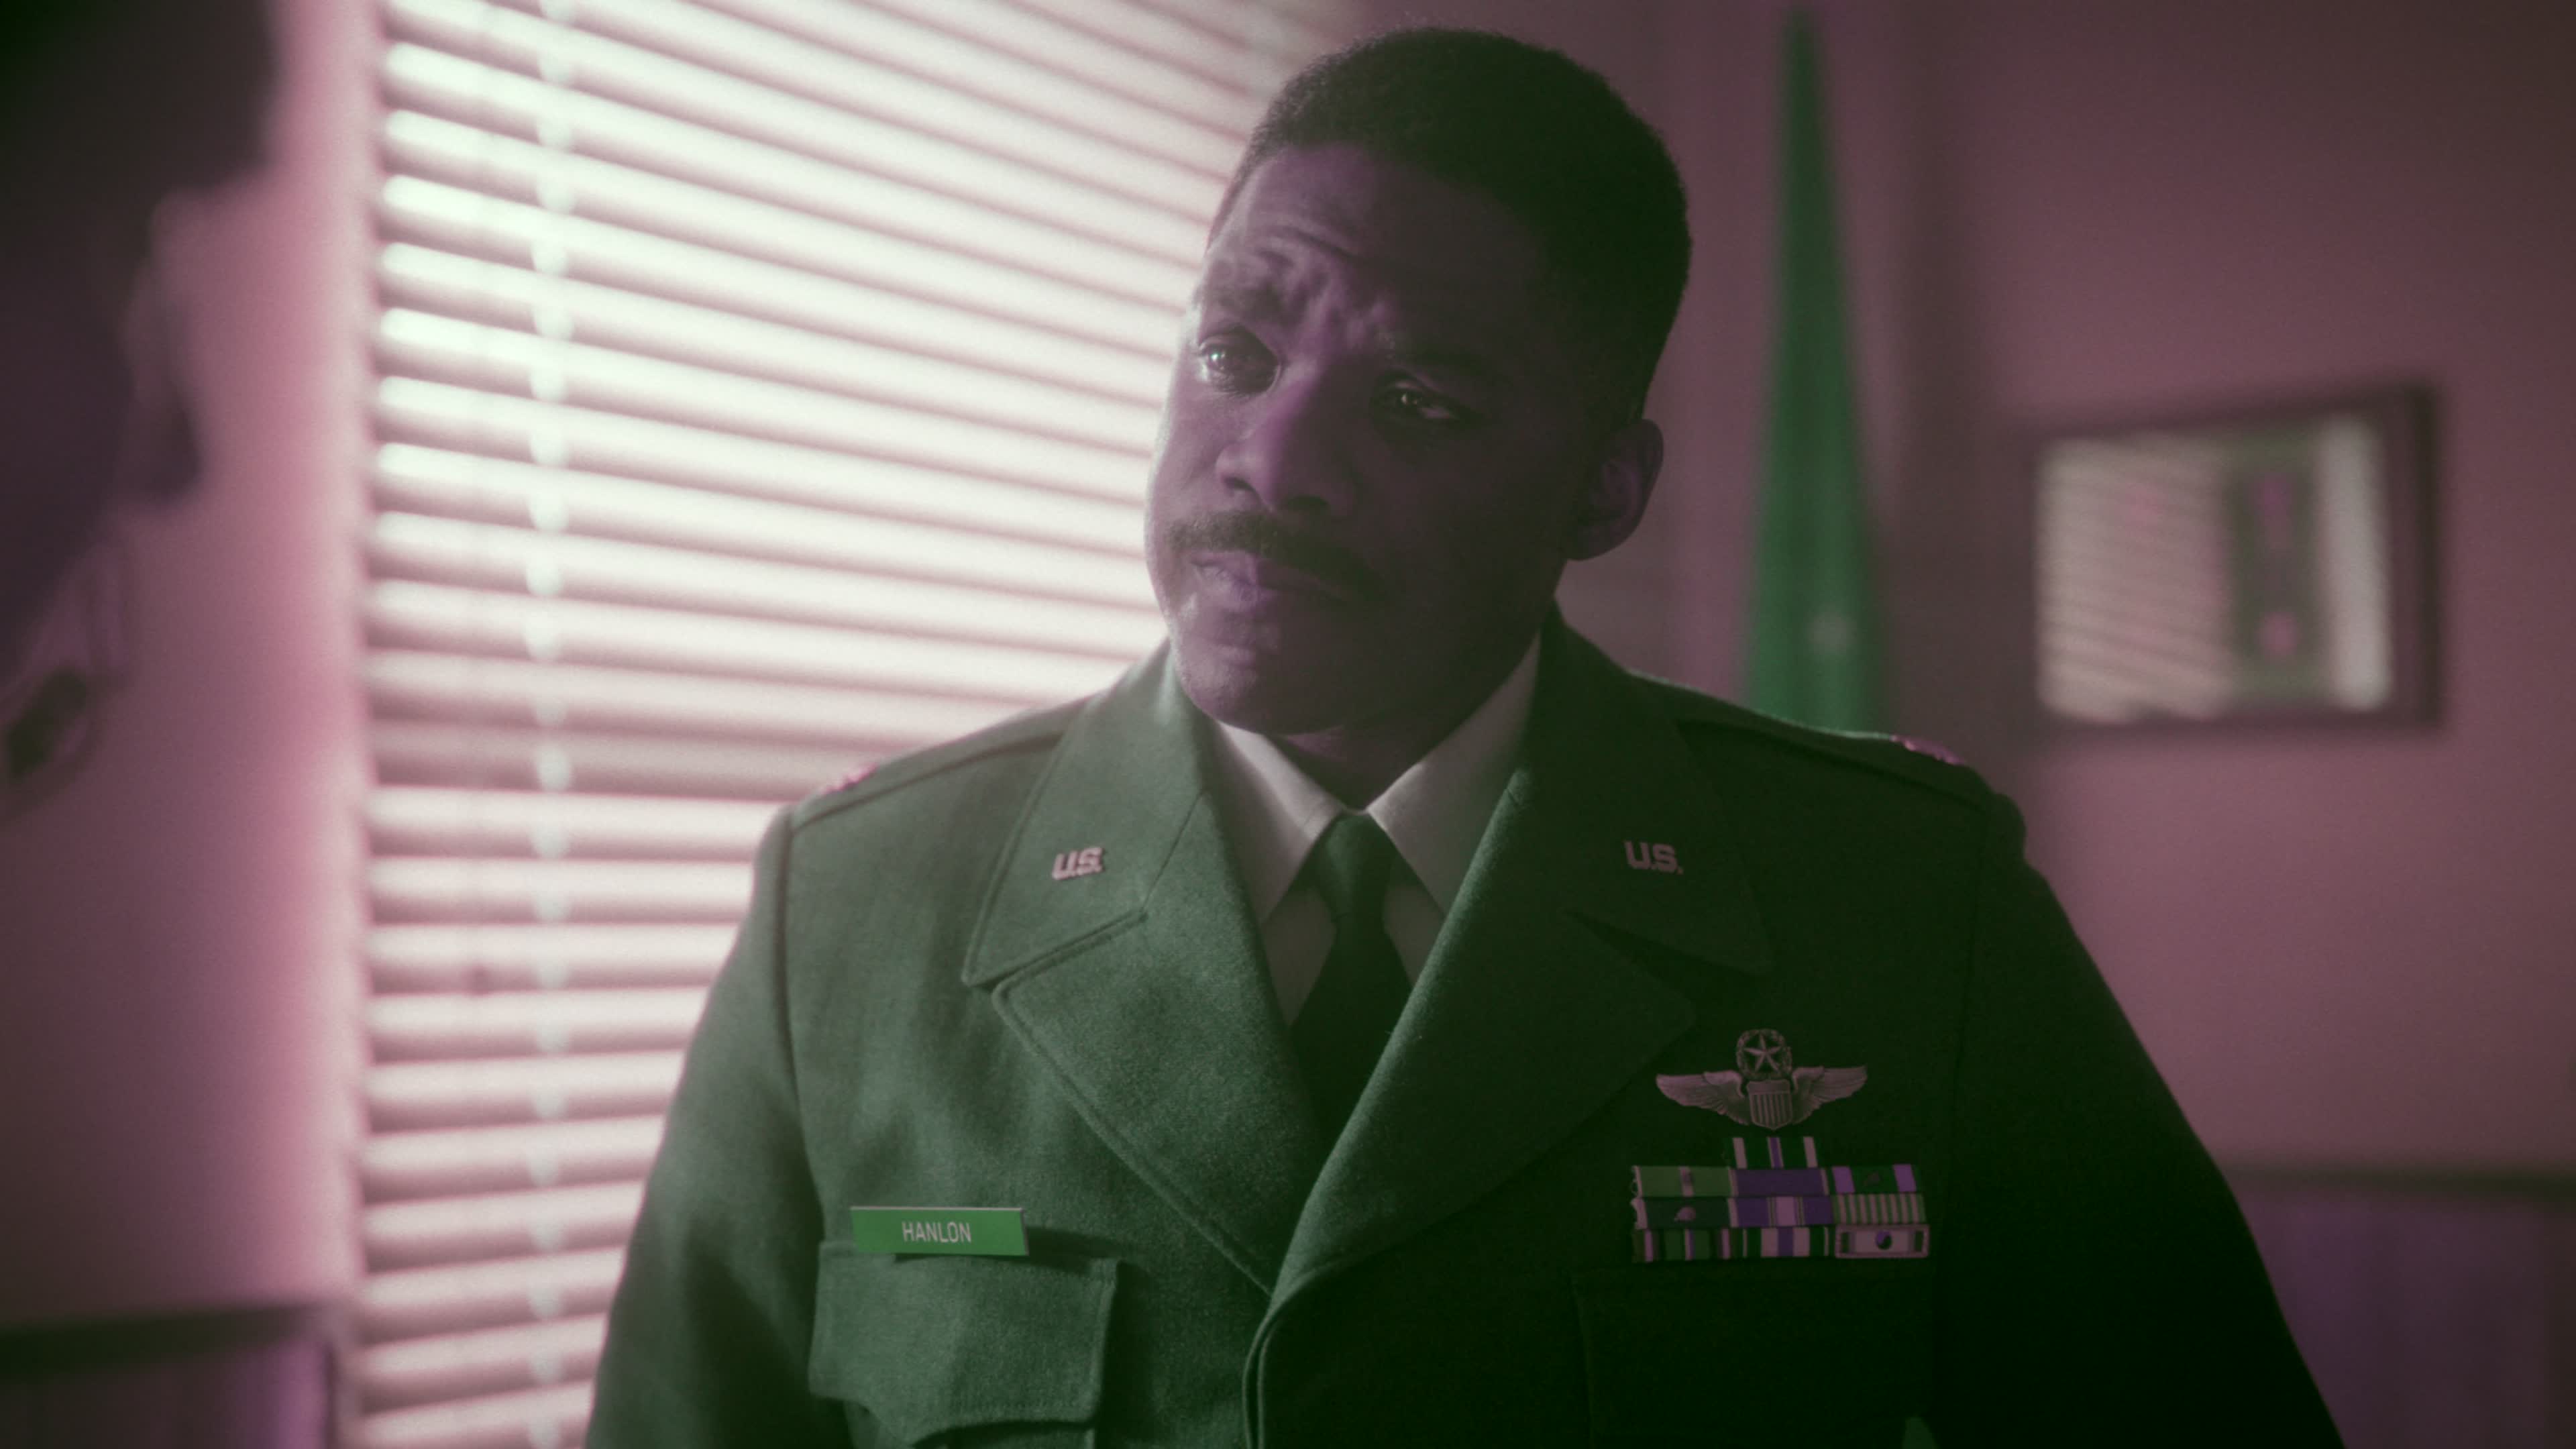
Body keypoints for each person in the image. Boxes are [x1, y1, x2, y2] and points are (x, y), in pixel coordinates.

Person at [590, 28, 2339, 1448]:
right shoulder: (859, 911)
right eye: (1233, 352)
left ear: (1605, 492)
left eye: (1420, 399)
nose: (1274, 459)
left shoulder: (1898, 908)